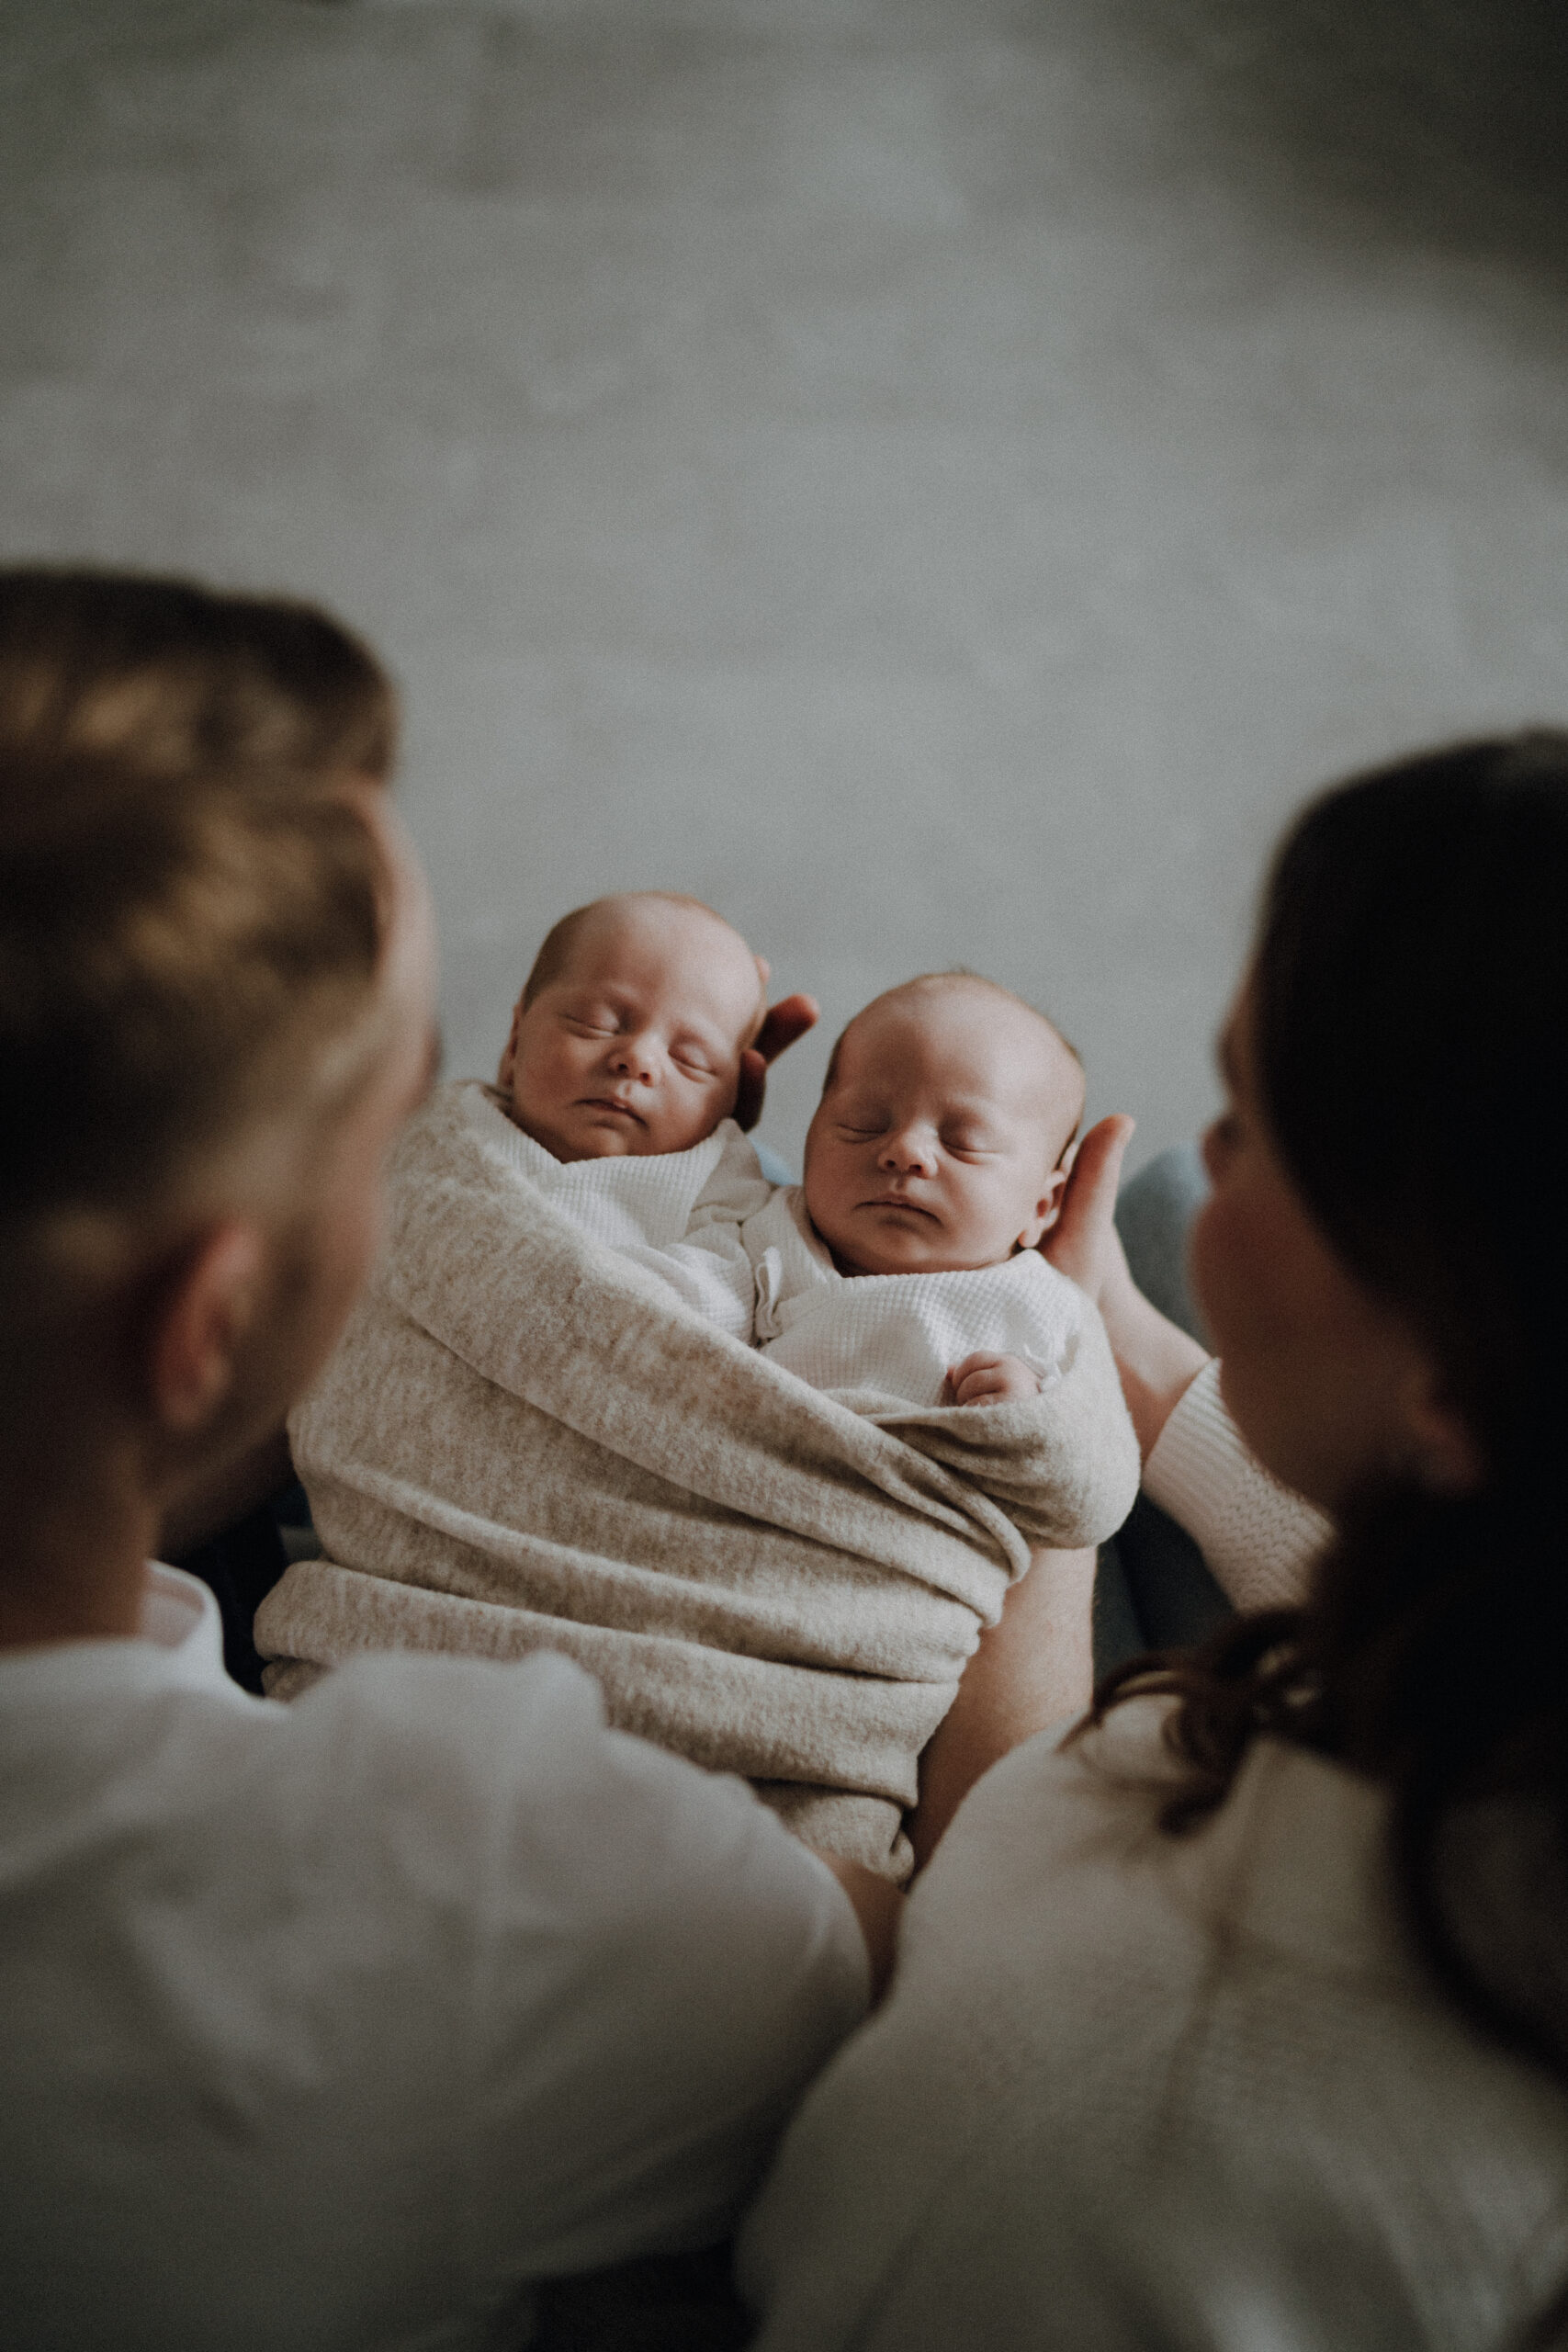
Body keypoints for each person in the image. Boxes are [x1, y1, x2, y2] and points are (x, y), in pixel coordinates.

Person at [0, 731, 899, 2351]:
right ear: (210, 1315)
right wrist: (1021, 1458)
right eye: (383, 1116)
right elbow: (969, 1958)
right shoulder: (464, 1855)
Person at [739, 730, 1568, 2351]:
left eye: (1256, 1121)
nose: (1219, 1141)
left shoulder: (1088, 2123)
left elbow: (976, 1866)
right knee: (1165, 1213)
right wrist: (1118, 1343)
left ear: (1451, 1392)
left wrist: (1039, 1464)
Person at [257, 939, 1135, 1877]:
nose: (903, 1153)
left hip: (821, 1670)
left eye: (962, 1142)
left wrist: (1028, 1422)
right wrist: (677, 1166)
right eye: (861, 1123)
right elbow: (661, 1316)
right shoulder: (767, 1229)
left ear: (1043, 1202)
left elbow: (1092, 1490)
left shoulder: (1040, 1311)